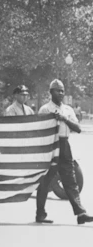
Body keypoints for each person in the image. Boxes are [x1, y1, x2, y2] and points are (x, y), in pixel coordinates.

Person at [34, 79, 93, 224]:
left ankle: (80, 213)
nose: (60, 93)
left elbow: (78, 128)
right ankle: (40, 214)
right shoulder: (45, 109)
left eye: (62, 90)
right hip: (50, 145)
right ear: (50, 92)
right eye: (57, 90)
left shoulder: (68, 110)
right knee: (46, 180)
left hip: (64, 144)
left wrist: (64, 119)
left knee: (71, 180)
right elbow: (39, 130)